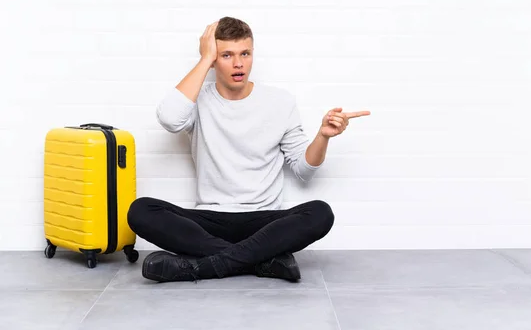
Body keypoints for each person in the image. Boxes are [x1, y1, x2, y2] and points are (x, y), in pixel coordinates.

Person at [127, 17, 370, 283]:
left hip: (264, 222)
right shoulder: (198, 100)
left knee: (320, 213)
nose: (238, 63)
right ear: (213, 60)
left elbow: (304, 169)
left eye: (245, 53)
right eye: (226, 55)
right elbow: (170, 119)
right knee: (141, 210)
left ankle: (201, 267)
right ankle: (263, 261)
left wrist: (323, 136)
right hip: (211, 218)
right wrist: (204, 59)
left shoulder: (280, 101)